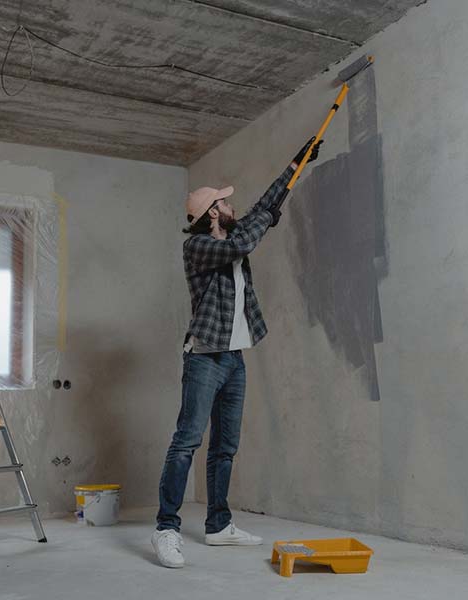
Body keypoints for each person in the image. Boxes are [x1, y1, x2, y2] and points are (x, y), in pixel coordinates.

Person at [151, 137, 323, 568]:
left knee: (225, 447)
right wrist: (265, 218)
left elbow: (262, 208)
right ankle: (166, 530)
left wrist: (294, 162)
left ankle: (218, 526)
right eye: (225, 204)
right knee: (187, 442)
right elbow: (239, 245)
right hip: (204, 357)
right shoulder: (199, 247)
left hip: (233, 359)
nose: (232, 206)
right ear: (213, 213)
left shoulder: (232, 229)